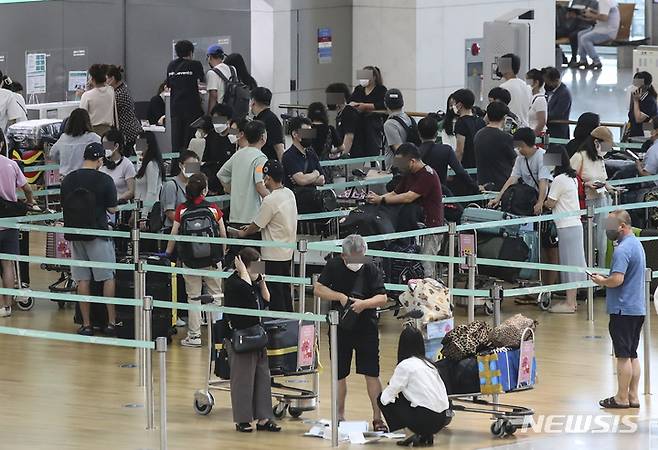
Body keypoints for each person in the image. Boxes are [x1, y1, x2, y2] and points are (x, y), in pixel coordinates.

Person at [314, 234, 388, 431]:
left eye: (360, 257)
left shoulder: (371, 267)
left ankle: (378, 417)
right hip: (340, 327)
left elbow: (382, 297)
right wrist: (340, 297)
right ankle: (338, 416)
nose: (357, 262)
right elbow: (318, 289)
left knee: (372, 373)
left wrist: (364, 304)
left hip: (367, 328)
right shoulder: (333, 265)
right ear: (343, 255)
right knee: (339, 373)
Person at [60, 142, 118, 336]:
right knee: (107, 278)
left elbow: (63, 205)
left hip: (75, 234)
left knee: (82, 279)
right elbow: (112, 209)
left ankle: (86, 325)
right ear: (100, 160)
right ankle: (110, 322)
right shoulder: (105, 180)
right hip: (98, 234)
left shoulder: (68, 180)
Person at [592, 210, 646, 410]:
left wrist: (601, 280)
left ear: (621, 227)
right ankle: (633, 396)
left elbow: (617, 280)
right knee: (632, 354)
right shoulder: (637, 245)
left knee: (623, 355)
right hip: (637, 307)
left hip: (623, 309)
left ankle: (621, 397)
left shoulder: (622, 250)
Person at [164, 173, 225, 347]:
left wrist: (168, 253)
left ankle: (194, 336)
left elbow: (174, 235)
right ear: (204, 191)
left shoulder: (182, 210)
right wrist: (221, 254)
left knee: (194, 298)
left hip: (190, 261)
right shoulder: (213, 208)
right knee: (215, 296)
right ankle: (217, 336)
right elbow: (222, 234)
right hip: (213, 260)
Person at [366, 144, 444, 279]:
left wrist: (382, 200)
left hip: (430, 227)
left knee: (426, 266)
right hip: (413, 226)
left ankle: (428, 294)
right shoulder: (409, 174)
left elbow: (409, 196)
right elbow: (395, 193)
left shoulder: (427, 175)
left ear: (412, 161)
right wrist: (377, 198)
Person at [224, 247, 281, 433]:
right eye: (255, 267)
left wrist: (261, 281)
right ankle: (242, 419)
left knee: (263, 377)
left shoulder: (254, 281)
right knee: (243, 379)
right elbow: (248, 298)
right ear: (242, 266)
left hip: (257, 335)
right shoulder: (234, 283)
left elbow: (267, 299)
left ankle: (264, 418)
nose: (259, 270)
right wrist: (243, 274)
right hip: (240, 336)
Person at [234, 161, 297, 312]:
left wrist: (244, 232)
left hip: (271, 255)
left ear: (268, 178)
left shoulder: (270, 200)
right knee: (285, 289)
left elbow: (257, 225)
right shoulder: (289, 193)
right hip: (287, 252)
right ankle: (290, 322)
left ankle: (277, 323)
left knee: (273, 291)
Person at [378, 327, 451, 447]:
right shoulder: (430, 365)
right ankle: (426, 434)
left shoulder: (405, 365)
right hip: (442, 419)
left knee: (383, 398)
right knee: (409, 396)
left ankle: (410, 433)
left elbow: (387, 396)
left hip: (424, 419)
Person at [544, 146, 587, 313]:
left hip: (566, 226)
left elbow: (551, 202)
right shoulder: (572, 177)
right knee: (574, 263)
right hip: (574, 225)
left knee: (570, 265)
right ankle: (572, 301)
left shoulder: (559, 179)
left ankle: (570, 303)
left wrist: (543, 201)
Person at [0, 128, 34, 318]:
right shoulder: (11, 165)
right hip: (10, 222)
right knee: (8, 265)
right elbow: (27, 188)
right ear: (1, 144)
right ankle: (7, 306)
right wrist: (30, 202)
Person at [570, 126, 614, 268]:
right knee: (587, 240)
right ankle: (587, 273)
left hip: (603, 201)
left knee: (602, 240)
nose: (607, 149)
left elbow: (603, 178)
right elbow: (569, 178)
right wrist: (586, 184)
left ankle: (601, 273)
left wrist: (608, 186)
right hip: (587, 203)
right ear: (596, 142)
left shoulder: (600, 158)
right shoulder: (579, 156)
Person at [217, 119, 269, 233]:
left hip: (235, 215)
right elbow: (260, 185)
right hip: (252, 219)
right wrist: (275, 200)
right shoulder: (260, 159)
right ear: (262, 137)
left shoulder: (238, 154)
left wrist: (232, 190)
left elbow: (221, 174)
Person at [489, 127, 553, 216]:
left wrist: (540, 202)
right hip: (530, 200)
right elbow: (512, 179)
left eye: (519, 147)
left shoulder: (546, 156)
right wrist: (498, 198)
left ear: (525, 144)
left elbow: (544, 181)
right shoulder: (520, 158)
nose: (517, 150)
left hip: (548, 201)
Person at [417, 115, 478, 192]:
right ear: (436, 134)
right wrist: (475, 186)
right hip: (440, 192)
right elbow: (460, 172)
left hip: (418, 195)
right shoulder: (446, 150)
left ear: (418, 134)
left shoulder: (414, 153)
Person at [167, 40, 205, 152]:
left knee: (176, 143)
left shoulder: (171, 65)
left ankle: (175, 167)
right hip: (192, 109)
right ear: (191, 52)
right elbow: (202, 80)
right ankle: (190, 168)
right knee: (190, 142)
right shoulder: (195, 64)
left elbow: (169, 84)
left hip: (175, 110)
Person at [474, 102, 518, 191]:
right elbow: (515, 161)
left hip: (482, 182)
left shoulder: (478, 134)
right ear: (504, 117)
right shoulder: (505, 137)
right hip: (502, 184)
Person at [50, 108, 101, 178]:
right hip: (86, 177)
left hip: (66, 177)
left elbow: (52, 154)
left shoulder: (63, 138)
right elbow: (106, 152)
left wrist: (63, 161)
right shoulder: (92, 137)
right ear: (87, 122)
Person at [350, 66, 387, 157]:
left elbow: (383, 104)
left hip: (374, 120)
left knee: (370, 130)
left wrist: (366, 106)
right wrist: (355, 104)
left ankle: (372, 155)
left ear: (374, 77)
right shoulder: (358, 89)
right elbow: (350, 100)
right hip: (358, 120)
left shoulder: (381, 89)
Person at [106, 65, 142, 155]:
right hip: (137, 131)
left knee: (134, 162)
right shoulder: (123, 89)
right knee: (140, 161)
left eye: (106, 79)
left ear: (112, 79)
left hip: (129, 136)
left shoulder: (118, 95)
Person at [161, 150, 200, 233]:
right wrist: (190, 222)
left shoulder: (195, 185)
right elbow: (169, 212)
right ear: (180, 165)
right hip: (173, 230)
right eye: (189, 166)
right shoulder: (171, 185)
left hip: (191, 230)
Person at [575, 0, 621, 70]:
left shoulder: (604, 2)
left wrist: (590, 15)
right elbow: (603, 14)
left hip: (607, 31)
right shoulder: (605, 2)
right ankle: (583, 60)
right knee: (580, 34)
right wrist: (592, 12)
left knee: (585, 38)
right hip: (602, 29)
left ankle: (596, 62)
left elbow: (604, 18)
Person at [282, 116, 325, 190]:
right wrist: (315, 174)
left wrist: (306, 178)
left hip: (312, 198)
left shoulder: (311, 153)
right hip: (295, 199)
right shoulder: (288, 156)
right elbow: (301, 180)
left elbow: (322, 180)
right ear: (295, 134)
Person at [326, 82, 364, 157]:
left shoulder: (348, 111)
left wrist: (343, 156)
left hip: (353, 156)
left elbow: (349, 136)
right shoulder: (340, 114)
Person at [557, 0, 599, 66]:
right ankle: (562, 57)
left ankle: (574, 58)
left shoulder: (594, 3)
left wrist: (579, 16)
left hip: (585, 27)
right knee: (554, 33)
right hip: (571, 25)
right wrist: (568, 14)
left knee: (573, 35)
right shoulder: (575, 1)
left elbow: (594, 20)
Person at [452, 88, 486, 169]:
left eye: (454, 103)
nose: (453, 106)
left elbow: (460, 151)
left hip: (467, 167)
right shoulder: (480, 121)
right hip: (480, 166)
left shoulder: (461, 122)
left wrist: (454, 170)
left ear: (459, 105)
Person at [100, 128, 136, 204]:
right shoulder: (100, 163)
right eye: (103, 145)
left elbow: (131, 191)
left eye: (106, 145)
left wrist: (115, 200)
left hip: (120, 206)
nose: (104, 148)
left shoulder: (127, 164)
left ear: (116, 146)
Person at [79, 64, 117, 137]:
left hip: (92, 133)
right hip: (108, 132)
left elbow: (82, 116)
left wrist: (86, 91)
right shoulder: (111, 91)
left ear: (92, 79)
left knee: (95, 148)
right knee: (108, 148)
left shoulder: (87, 95)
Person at [134, 133, 164, 220]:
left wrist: (144, 216)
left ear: (148, 145)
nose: (137, 145)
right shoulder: (143, 163)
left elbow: (152, 192)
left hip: (149, 211)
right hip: (139, 209)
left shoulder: (151, 164)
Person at [249, 87, 284, 161]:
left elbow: (279, 147)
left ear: (253, 101)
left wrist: (283, 169)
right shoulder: (260, 118)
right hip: (259, 162)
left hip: (267, 165)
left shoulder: (271, 119)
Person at [383, 88, 415, 168]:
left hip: (397, 169)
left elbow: (399, 150)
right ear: (402, 103)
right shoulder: (410, 119)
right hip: (412, 163)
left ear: (385, 104)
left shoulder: (389, 124)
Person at [499, 53, 532, 127]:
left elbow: (499, 110)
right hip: (525, 127)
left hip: (510, 128)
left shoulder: (504, 87)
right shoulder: (526, 86)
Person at [543, 67, 572, 140]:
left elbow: (556, 114)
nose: (546, 84)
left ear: (556, 80)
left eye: (548, 82)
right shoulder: (547, 90)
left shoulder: (564, 94)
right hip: (548, 129)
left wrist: (540, 116)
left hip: (558, 132)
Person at [627, 71, 658, 139]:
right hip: (632, 135)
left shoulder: (650, 101)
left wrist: (635, 101)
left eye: (637, 84)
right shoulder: (637, 97)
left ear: (646, 86)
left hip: (642, 137)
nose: (634, 86)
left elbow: (638, 119)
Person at [205, 44, 232, 114]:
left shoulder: (211, 73)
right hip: (233, 110)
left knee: (219, 125)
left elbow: (213, 96)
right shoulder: (232, 69)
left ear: (209, 57)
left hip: (220, 112)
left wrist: (209, 115)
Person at [526, 69, 547, 136]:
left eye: (528, 81)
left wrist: (533, 136)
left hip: (537, 135)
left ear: (536, 82)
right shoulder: (530, 97)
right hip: (528, 132)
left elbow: (542, 122)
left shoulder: (540, 99)